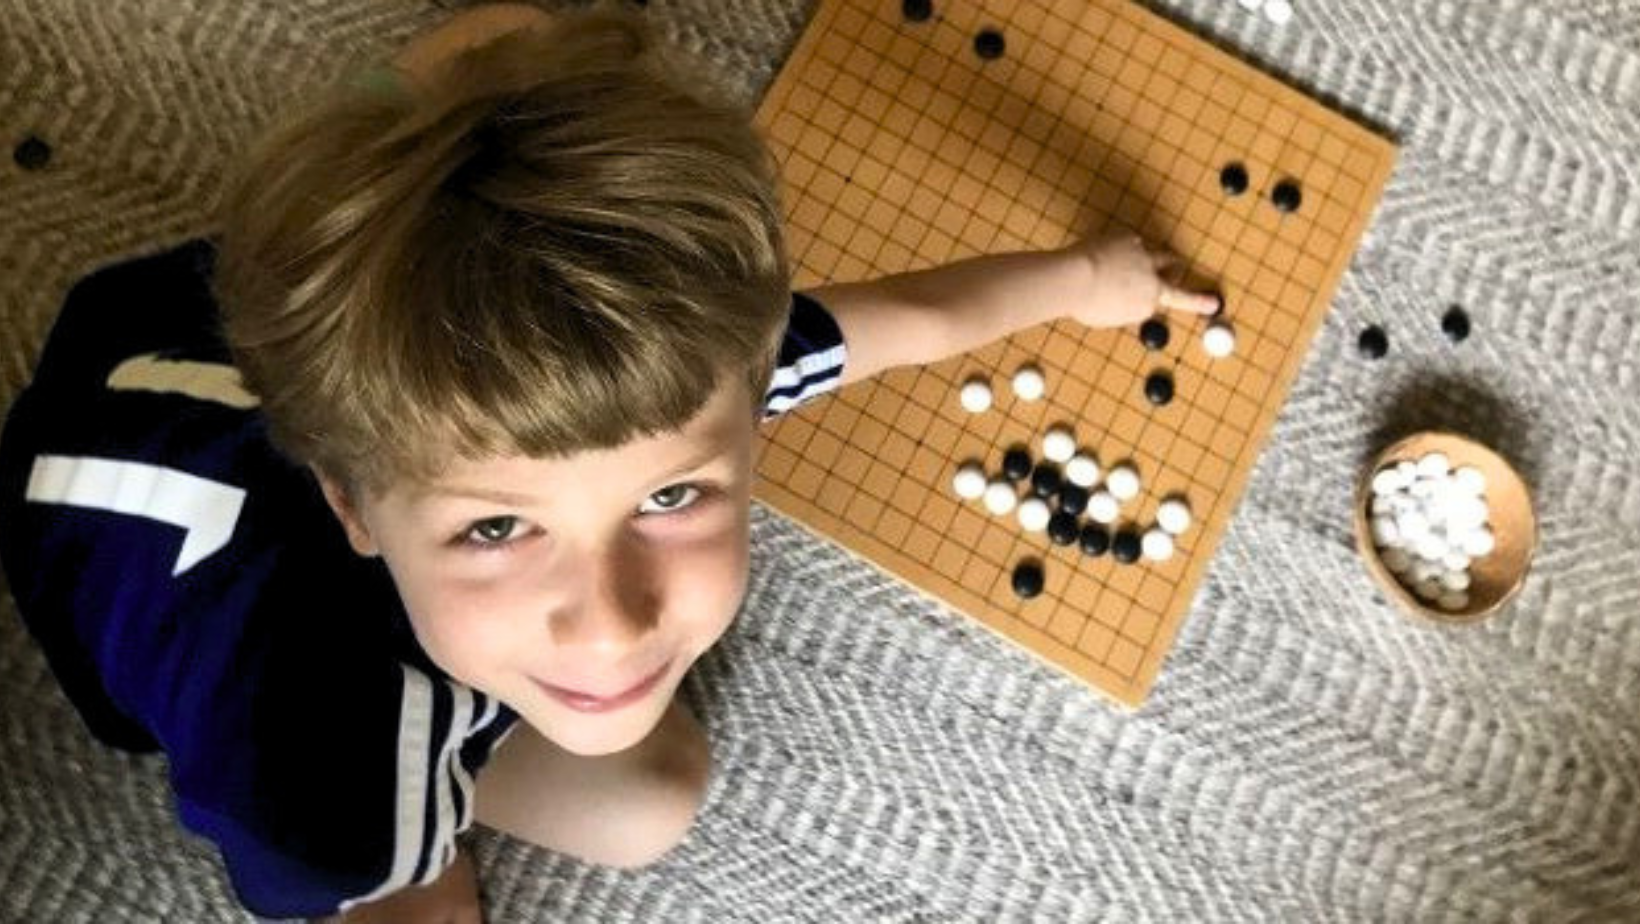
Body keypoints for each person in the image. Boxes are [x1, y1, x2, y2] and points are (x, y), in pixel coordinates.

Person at [0, 3, 1219, 921]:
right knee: (651, 802)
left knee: (507, 53)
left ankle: (429, 137)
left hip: (163, 330)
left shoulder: (665, 373)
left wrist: (1081, 278)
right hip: (111, 587)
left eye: (670, 494)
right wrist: (414, 873)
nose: (611, 624)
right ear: (351, 505)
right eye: (495, 527)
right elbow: (319, 880)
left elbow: (906, 319)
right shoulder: (323, 795)